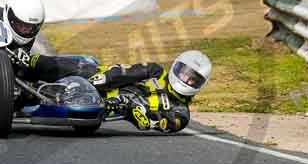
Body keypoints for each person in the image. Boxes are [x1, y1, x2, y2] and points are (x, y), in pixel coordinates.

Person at [29, 50, 212, 133]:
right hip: (103, 83)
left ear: (199, 84)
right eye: (185, 73)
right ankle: (24, 62)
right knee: (79, 66)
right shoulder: (156, 71)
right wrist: (99, 80)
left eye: (193, 78)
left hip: (104, 108)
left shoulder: (181, 113)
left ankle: (33, 93)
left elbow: (154, 125)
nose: (186, 79)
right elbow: (126, 71)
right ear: (176, 67)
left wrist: (130, 106)